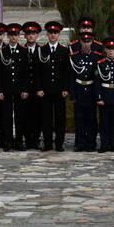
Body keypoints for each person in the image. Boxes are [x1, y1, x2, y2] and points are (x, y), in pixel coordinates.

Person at [36, 20, 70, 151]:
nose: (53, 35)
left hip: (59, 91)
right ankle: (48, 143)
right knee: (46, 119)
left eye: (55, 32)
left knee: (60, 119)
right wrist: (39, 88)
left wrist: (66, 88)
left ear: (59, 34)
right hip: (45, 91)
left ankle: (59, 144)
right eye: (50, 32)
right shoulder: (41, 50)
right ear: (47, 34)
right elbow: (37, 72)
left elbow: (67, 72)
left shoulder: (64, 51)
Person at [0, 23, 29, 151]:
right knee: (7, 117)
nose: (14, 37)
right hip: (6, 89)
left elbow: (26, 72)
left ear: (19, 36)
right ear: (8, 36)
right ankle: (8, 141)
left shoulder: (23, 50)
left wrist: (25, 89)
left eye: (16, 34)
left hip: (20, 90)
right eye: (11, 35)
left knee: (20, 116)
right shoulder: (2, 51)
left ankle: (19, 140)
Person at [70, 32, 102, 151]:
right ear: (80, 42)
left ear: (92, 42)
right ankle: (79, 143)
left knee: (91, 119)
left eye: (88, 41)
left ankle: (91, 143)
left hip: (91, 91)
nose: (86, 44)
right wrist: (72, 94)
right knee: (79, 119)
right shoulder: (74, 56)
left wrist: (98, 95)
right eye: (84, 41)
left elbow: (98, 78)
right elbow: (72, 77)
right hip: (79, 91)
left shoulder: (97, 57)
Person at [95, 38, 114, 152]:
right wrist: (99, 97)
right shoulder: (100, 63)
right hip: (105, 95)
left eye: (113, 49)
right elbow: (97, 82)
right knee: (104, 122)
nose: (111, 51)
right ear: (105, 50)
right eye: (108, 49)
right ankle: (105, 144)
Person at [22, 21, 43, 149]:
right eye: (28, 33)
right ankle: (27, 140)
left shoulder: (42, 50)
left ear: (37, 36)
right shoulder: (21, 50)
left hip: (38, 90)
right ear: (25, 36)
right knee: (25, 115)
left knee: (37, 115)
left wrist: (41, 88)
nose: (31, 36)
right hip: (24, 89)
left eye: (33, 33)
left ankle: (35, 140)